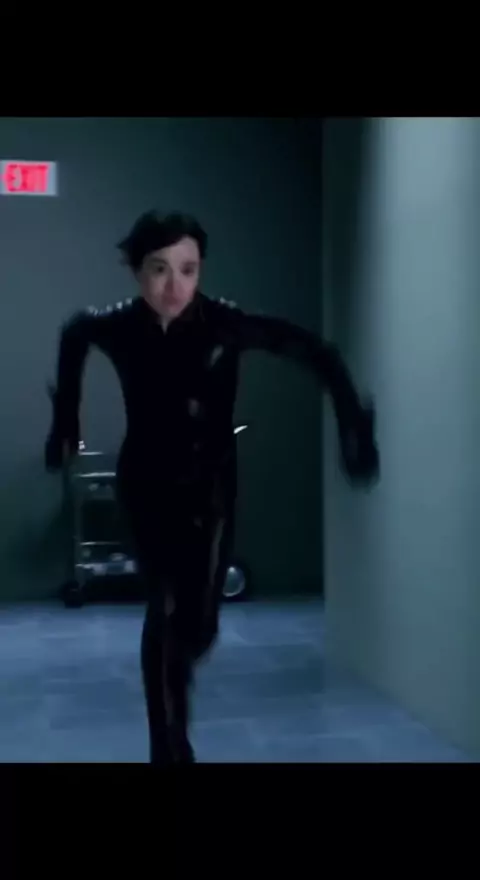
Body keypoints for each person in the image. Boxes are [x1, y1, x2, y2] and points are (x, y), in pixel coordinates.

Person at [45, 210, 380, 764]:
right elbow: (75, 331)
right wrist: (65, 421)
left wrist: (354, 424)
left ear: (201, 270)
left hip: (213, 483)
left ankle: (180, 677)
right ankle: (168, 746)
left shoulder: (227, 324)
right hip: (146, 480)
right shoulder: (118, 327)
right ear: (137, 271)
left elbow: (316, 352)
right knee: (165, 605)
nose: (173, 285)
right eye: (159, 269)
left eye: (188, 269)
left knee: (198, 626)